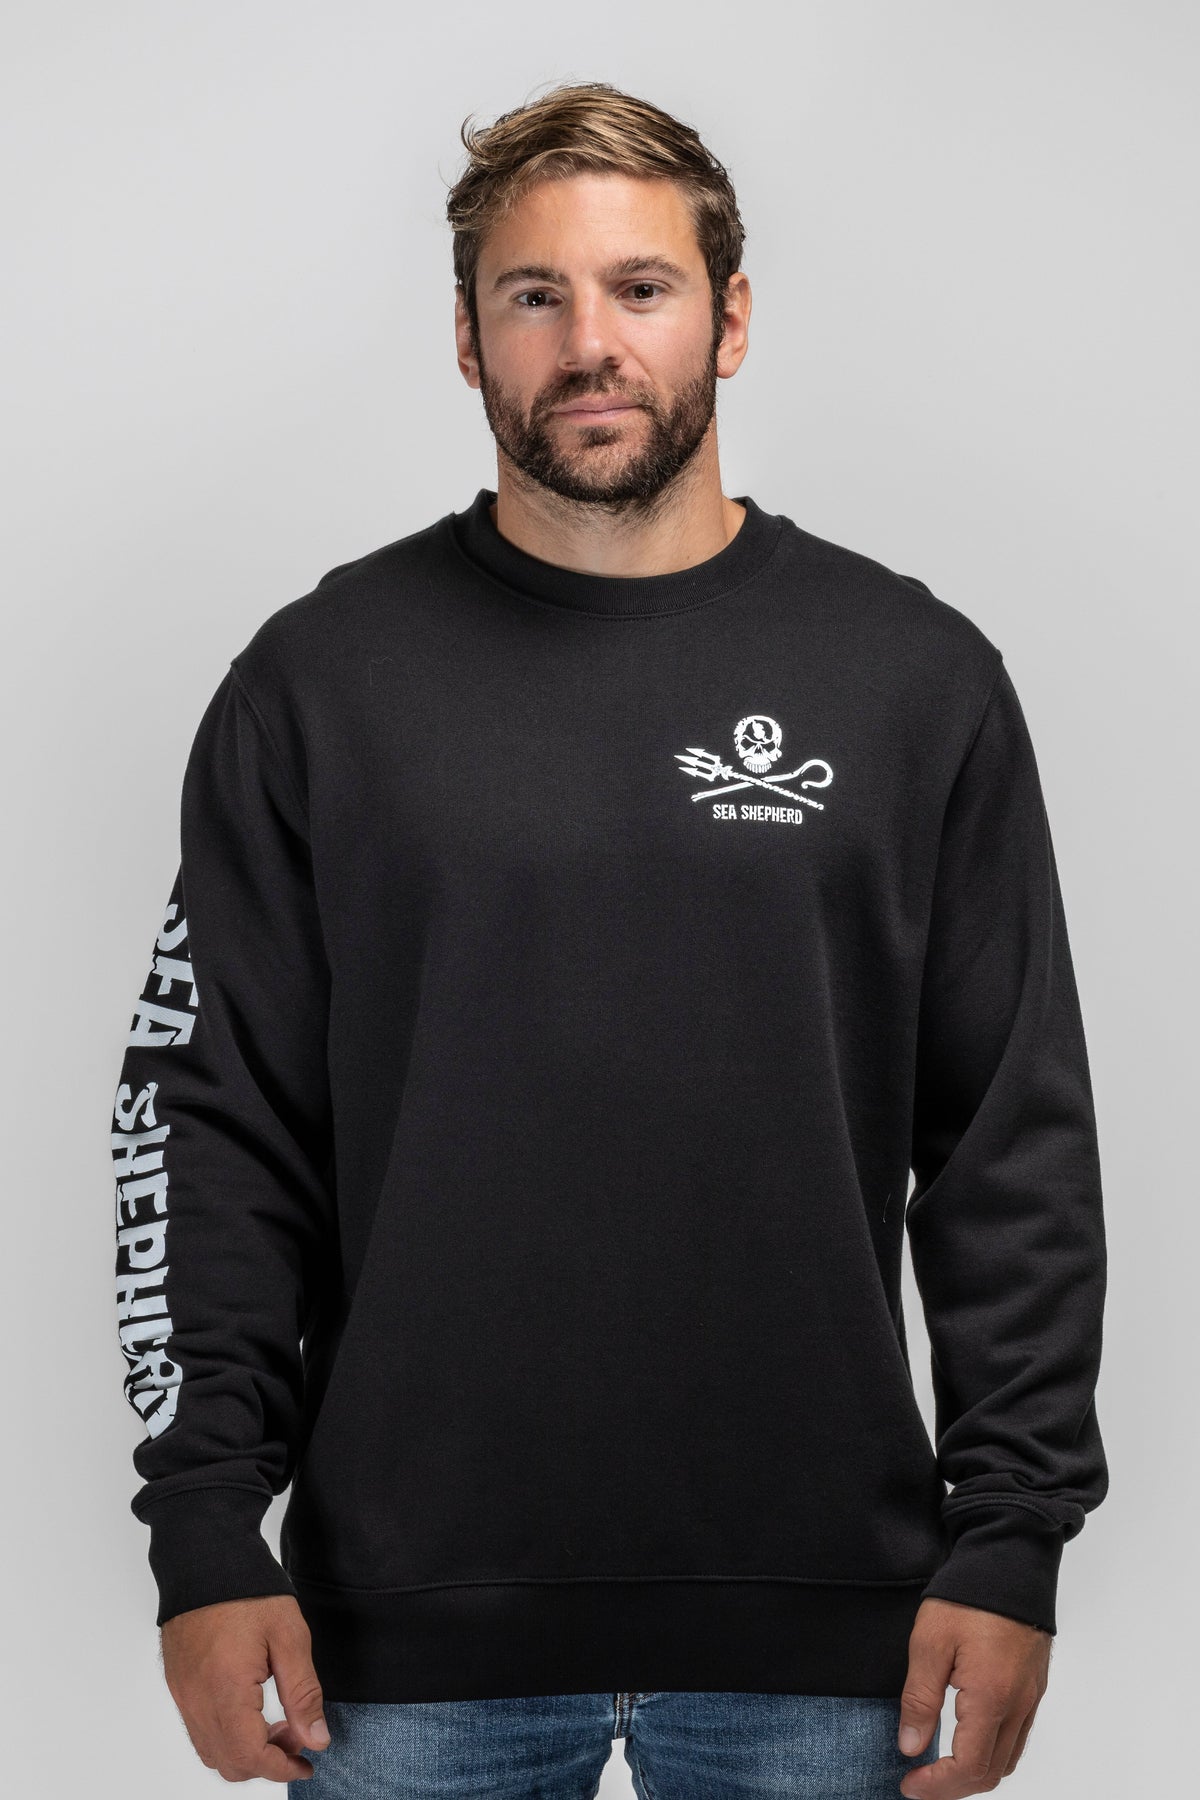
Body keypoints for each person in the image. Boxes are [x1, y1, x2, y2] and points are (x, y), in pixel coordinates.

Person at [108, 81, 1109, 1799]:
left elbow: (1010, 1141)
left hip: (830, 1634)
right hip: (400, 1642)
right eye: (534, 294)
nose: (589, 343)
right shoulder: (319, 687)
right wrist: (204, 1529)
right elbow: (209, 1121)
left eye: (640, 288)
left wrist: (1013, 1535)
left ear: (730, 317)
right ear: (465, 336)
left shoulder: (912, 680)